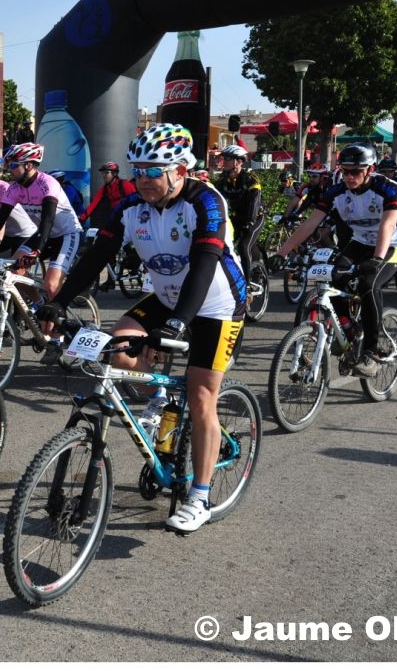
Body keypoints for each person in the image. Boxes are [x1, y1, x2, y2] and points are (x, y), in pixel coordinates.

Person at [38, 123, 246, 534]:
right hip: (167, 298)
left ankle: (199, 495)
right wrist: (58, 302)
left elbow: (204, 265)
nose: (143, 179)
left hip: (216, 304)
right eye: (138, 170)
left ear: (180, 171)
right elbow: (97, 256)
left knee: (202, 393)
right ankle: (161, 398)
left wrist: (179, 323)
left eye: (154, 170)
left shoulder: (206, 202)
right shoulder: (131, 206)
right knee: (120, 349)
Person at [273, 143, 397, 378]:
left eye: (355, 172)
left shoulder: (388, 188)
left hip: (391, 245)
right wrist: (282, 253)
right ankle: (347, 327)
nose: (349, 176)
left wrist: (376, 259)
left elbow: (387, 224)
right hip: (359, 243)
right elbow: (310, 224)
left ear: (369, 169)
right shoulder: (336, 192)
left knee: (368, 283)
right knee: (331, 276)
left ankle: (371, 353)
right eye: (345, 171)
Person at [0, 142, 83, 302]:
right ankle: (39, 304)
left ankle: (59, 317)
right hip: (44, 234)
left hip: (66, 234)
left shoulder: (47, 183)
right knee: (14, 269)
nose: (8, 169)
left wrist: (36, 251)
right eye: (8, 165)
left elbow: (47, 220)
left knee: (51, 284)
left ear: (28, 165)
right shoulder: (14, 188)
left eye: (13, 165)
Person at [215, 144, 264, 290]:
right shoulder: (222, 181)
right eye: (224, 158)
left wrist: (250, 221)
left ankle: (247, 287)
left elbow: (254, 202)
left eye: (228, 158)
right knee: (221, 245)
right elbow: (214, 200)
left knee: (243, 246)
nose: (224, 161)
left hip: (255, 218)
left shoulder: (250, 179)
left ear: (239, 162)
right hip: (236, 218)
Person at [80, 161, 136, 228]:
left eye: (106, 173)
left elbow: (136, 201)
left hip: (129, 218)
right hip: (115, 218)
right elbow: (93, 205)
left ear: (114, 174)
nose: (103, 176)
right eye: (102, 173)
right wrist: (82, 218)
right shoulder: (104, 189)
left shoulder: (125, 185)